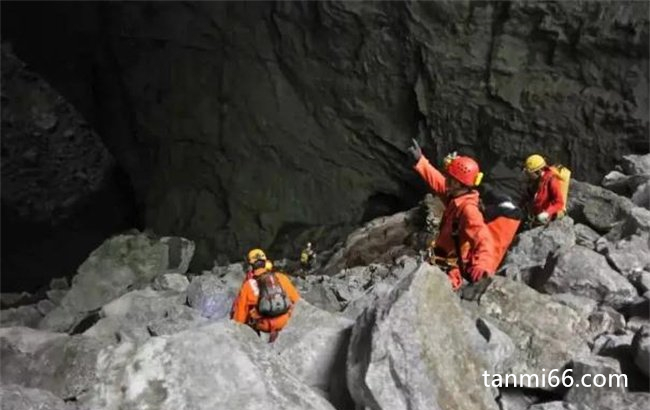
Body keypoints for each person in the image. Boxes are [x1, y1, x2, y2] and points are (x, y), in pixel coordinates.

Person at [408, 139, 497, 290]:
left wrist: (483, 265)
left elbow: (484, 238)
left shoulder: (468, 209)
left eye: (450, 177)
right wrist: (421, 162)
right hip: (439, 261)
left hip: (450, 272)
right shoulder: (456, 196)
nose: (446, 179)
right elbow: (438, 182)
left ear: (458, 183)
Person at [231, 248, 300, 342]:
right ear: (265, 263)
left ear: (251, 266)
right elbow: (297, 301)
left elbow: (239, 318)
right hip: (284, 323)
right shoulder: (281, 277)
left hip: (263, 326)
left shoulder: (248, 285)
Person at [522, 154, 565, 225]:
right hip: (535, 214)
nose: (528, 175)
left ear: (538, 171)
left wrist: (547, 213)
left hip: (547, 217)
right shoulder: (534, 180)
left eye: (529, 173)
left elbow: (559, 202)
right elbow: (529, 196)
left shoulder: (552, 180)